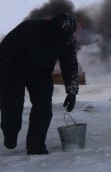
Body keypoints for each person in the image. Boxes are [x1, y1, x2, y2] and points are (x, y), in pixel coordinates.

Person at [0, 12, 80, 154]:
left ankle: (35, 146)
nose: (61, 39)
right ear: (52, 27)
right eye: (58, 34)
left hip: (40, 74)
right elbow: (4, 52)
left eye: (65, 35)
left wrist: (71, 90)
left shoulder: (67, 40)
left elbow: (70, 64)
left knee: (43, 108)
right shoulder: (29, 28)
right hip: (14, 71)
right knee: (12, 106)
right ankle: (10, 132)